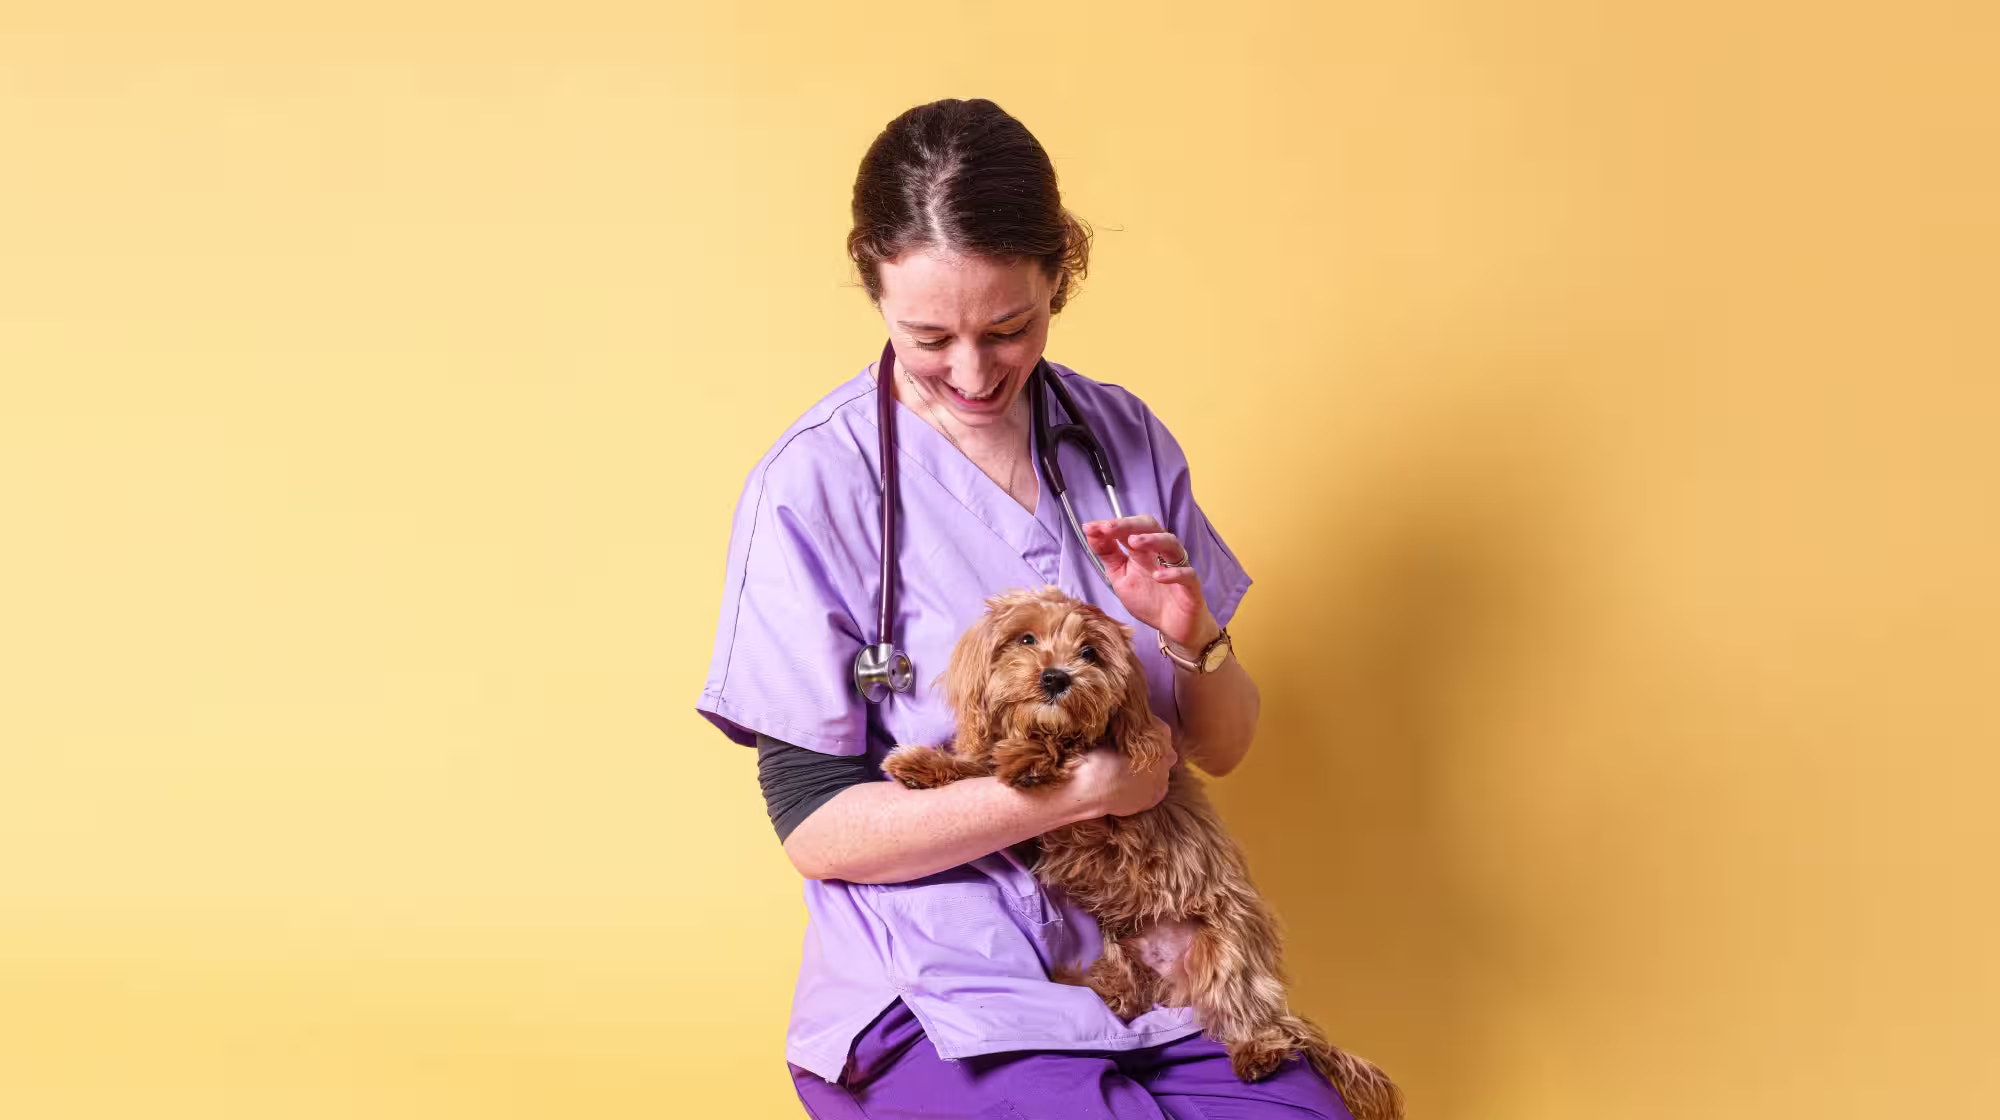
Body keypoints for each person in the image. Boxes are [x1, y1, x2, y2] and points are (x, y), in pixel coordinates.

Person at [697, 98, 1354, 1119]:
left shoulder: (1121, 438)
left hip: (1150, 961)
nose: (972, 372)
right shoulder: (812, 485)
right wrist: (1077, 790)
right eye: (927, 337)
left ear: (1061, 272)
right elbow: (816, 826)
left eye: (1009, 328)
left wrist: (1192, 639)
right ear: (870, 284)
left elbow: (1219, 748)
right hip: (937, 983)